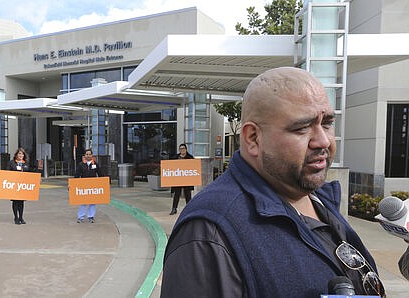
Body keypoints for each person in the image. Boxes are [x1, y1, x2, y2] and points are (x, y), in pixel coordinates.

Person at [161, 67, 385, 297]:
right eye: (302, 128)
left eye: (326, 123)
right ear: (253, 138)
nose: (323, 141)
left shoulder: (318, 198)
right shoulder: (209, 235)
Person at [75, 148, 103, 223]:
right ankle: (81, 217)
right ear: (84, 155)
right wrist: (71, 185)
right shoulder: (81, 164)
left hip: (93, 186)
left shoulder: (95, 164)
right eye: (86, 154)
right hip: (84, 186)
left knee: (92, 202)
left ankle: (91, 217)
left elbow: (100, 175)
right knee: (83, 202)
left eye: (89, 154)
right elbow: (77, 175)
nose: (88, 155)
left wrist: (104, 184)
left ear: (92, 155)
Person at [169, 144, 194, 215]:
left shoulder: (190, 157)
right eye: (180, 148)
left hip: (187, 179)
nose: (182, 150)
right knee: (177, 194)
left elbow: (193, 167)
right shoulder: (175, 157)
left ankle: (189, 209)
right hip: (178, 179)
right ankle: (174, 209)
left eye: (183, 148)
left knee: (188, 195)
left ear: (186, 149)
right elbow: (171, 167)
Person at [8, 147, 30, 224]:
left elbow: (29, 174)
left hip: (22, 186)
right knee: (15, 201)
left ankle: (21, 217)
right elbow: (7, 173)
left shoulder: (26, 163)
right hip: (14, 185)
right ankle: (16, 218)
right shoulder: (12, 163)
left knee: (21, 202)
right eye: (19, 153)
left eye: (22, 154)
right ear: (16, 155)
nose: (21, 155)